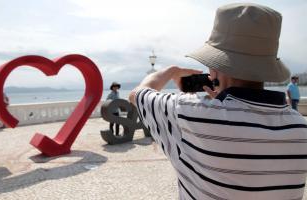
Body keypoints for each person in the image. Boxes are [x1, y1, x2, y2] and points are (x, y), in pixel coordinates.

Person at [129, 3, 307, 200]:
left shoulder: (188, 112)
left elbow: (138, 94)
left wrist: (171, 71)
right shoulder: (300, 128)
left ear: (214, 67)